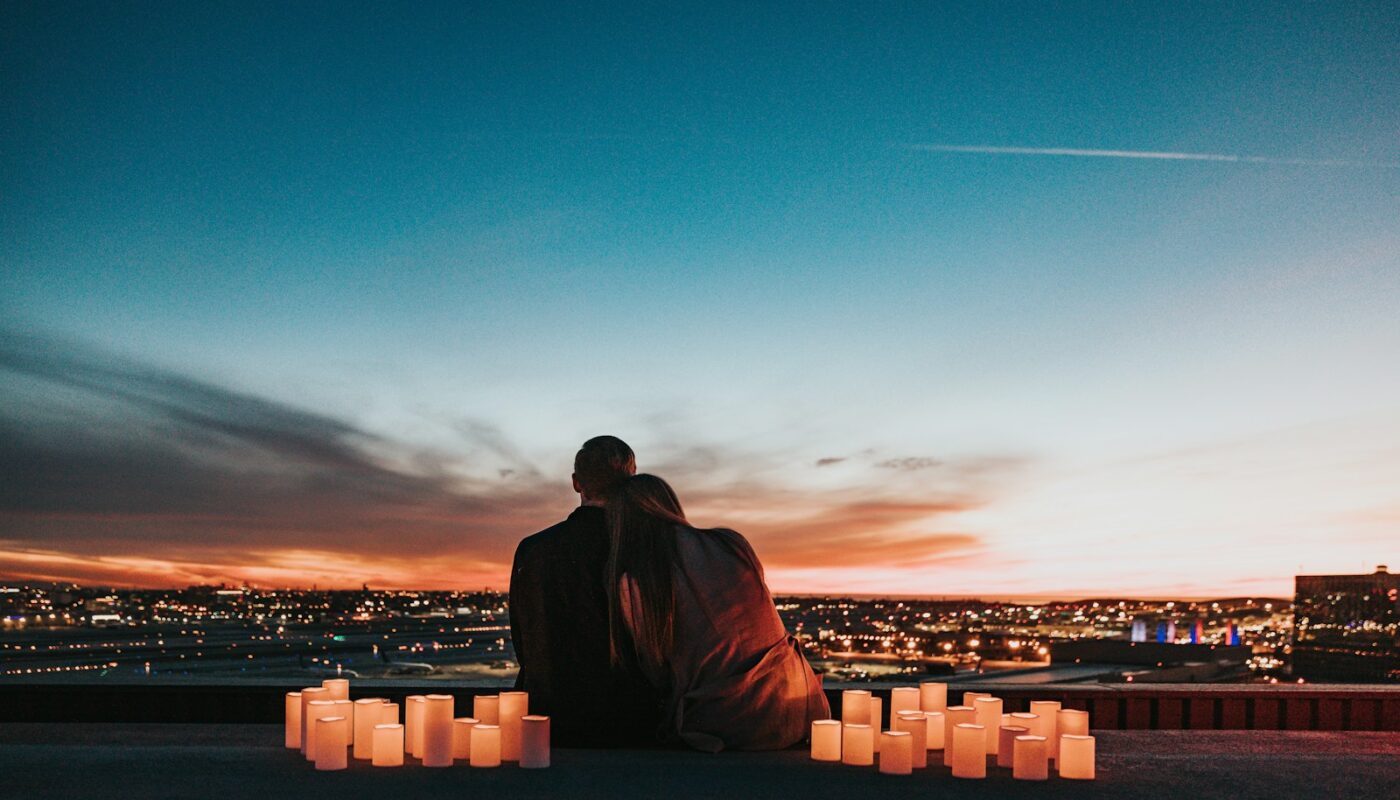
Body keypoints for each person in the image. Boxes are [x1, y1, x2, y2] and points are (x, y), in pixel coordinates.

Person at [606, 474, 830, 752]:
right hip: (800, 706)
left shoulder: (638, 581)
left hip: (729, 723)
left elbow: (656, 671)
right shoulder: (731, 543)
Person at [509, 436, 659, 746]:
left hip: (547, 719)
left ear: (577, 483)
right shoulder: (647, 549)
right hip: (630, 721)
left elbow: (526, 644)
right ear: (632, 481)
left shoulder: (533, 550)